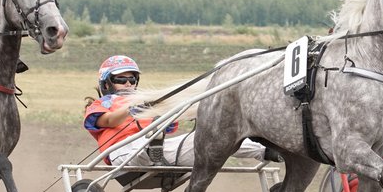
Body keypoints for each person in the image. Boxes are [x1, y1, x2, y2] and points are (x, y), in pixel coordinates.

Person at [83, 55, 272, 167]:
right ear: (106, 83)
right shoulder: (102, 103)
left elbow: (169, 125)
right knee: (147, 143)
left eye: (132, 80)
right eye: (121, 79)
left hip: (162, 149)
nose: (127, 84)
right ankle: (151, 147)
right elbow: (109, 121)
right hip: (122, 152)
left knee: (216, 137)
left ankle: (266, 150)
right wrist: (131, 108)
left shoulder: (147, 103)